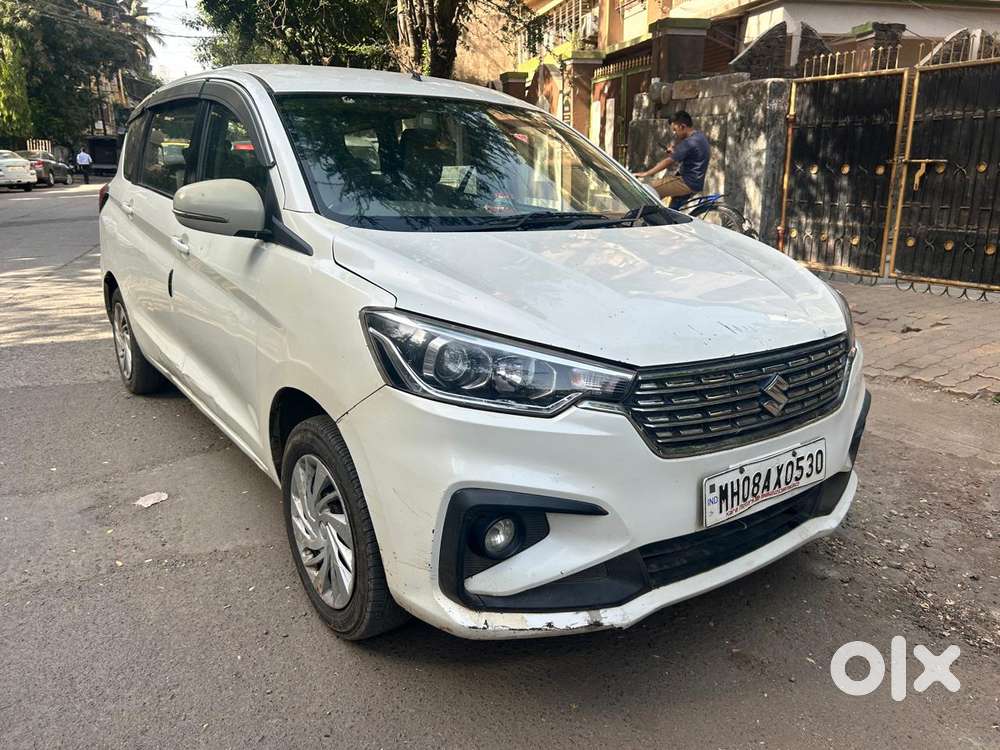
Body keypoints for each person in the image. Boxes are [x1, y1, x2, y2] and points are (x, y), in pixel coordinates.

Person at [634, 111, 710, 209]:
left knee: (648, 189)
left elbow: (668, 161)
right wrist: (675, 151)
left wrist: (646, 173)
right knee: (672, 211)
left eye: (675, 129)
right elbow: (688, 153)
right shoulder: (699, 137)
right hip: (695, 182)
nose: (674, 133)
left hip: (685, 182)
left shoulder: (689, 142)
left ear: (682, 126)